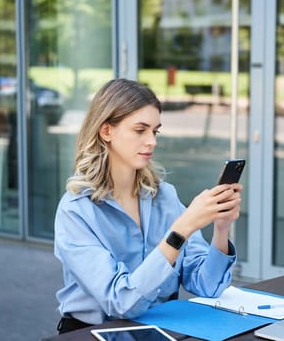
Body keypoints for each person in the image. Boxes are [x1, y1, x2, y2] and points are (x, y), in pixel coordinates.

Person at [53, 78, 242, 334]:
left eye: (155, 131)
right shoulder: (76, 210)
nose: (151, 141)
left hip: (159, 330)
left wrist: (221, 228)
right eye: (140, 130)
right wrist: (181, 230)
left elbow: (208, 286)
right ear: (106, 131)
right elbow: (120, 302)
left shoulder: (164, 196)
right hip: (93, 333)